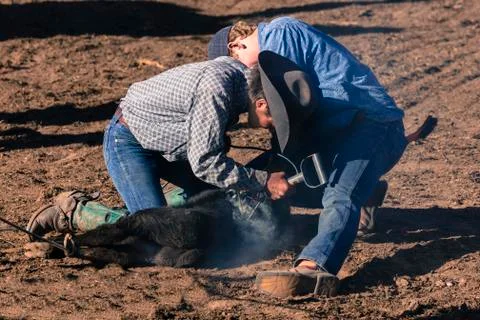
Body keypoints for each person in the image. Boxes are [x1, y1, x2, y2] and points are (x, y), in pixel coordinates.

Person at [208, 18, 408, 297]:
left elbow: (286, 111)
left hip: (373, 125)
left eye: (239, 67)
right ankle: (368, 189)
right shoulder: (275, 47)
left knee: (340, 194)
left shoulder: (279, 35)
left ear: (235, 46)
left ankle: (315, 266)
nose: (246, 80)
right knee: (287, 180)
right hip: (343, 131)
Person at [27, 55, 292, 239]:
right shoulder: (218, 91)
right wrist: (262, 180)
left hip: (167, 146)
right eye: (273, 120)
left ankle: (159, 204)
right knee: (158, 231)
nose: (270, 127)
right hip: (129, 141)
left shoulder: (242, 78)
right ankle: (74, 212)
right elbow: (205, 161)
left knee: (209, 204)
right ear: (261, 104)